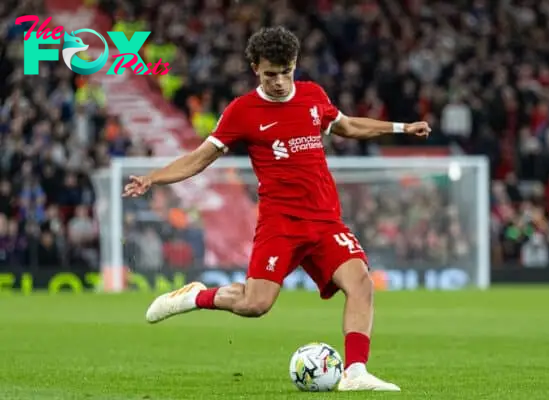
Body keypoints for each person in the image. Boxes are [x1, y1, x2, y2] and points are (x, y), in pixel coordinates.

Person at [123, 26, 430, 391]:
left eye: (286, 71)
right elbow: (199, 159)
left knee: (361, 282)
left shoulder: (313, 95)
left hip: (325, 220)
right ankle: (195, 296)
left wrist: (401, 127)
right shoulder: (242, 112)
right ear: (255, 68)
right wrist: (154, 178)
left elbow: (348, 126)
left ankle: (355, 373)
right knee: (255, 305)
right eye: (271, 74)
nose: (281, 81)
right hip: (280, 224)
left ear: (295, 65)